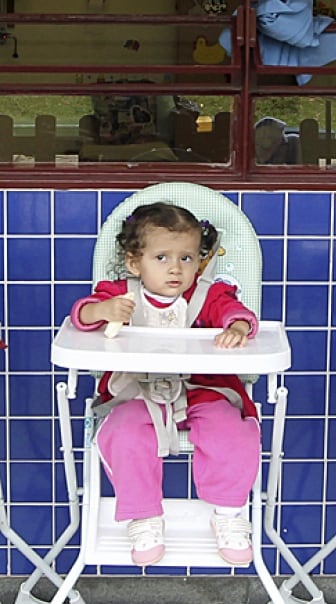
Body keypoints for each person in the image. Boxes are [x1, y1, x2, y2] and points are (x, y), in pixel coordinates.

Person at [71, 202, 261, 567]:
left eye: (187, 258)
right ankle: (144, 517)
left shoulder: (208, 296)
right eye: (161, 257)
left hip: (202, 388)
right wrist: (103, 311)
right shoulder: (118, 293)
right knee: (125, 433)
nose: (175, 268)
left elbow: (235, 312)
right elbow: (81, 313)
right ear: (133, 262)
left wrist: (237, 327)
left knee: (231, 431)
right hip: (137, 390)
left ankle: (229, 513)